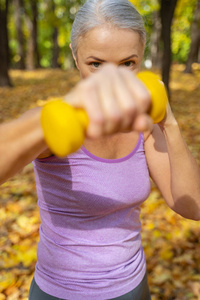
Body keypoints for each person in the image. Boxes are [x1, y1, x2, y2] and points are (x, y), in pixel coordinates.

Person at [0, 0, 200, 299]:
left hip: (133, 287)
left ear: (141, 58)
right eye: (96, 64)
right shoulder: (55, 120)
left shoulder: (143, 125)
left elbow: (191, 205)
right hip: (62, 293)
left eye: (127, 64)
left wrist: (168, 123)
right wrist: (45, 126)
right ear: (75, 56)